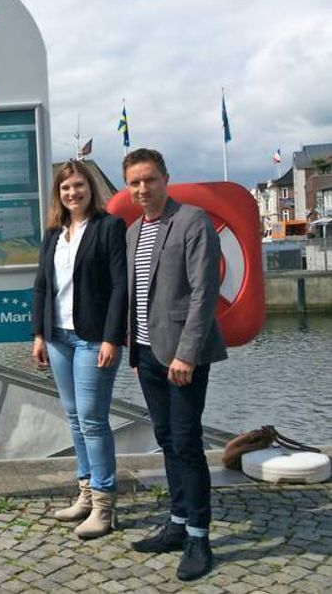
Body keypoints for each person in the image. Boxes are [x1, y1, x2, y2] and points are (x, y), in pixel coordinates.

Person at [123, 148, 227, 581]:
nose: (142, 188)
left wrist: (186, 353)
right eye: (134, 182)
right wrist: (135, 351)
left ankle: (199, 537)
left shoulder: (191, 221)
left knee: (186, 443)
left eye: (150, 179)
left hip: (183, 356)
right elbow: (136, 294)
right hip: (148, 355)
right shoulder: (133, 232)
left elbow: (204, 292)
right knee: (166, 439)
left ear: (166, 179)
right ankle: (178, 522)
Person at [32, 159, 127, 539]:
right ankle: (85, 493)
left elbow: (119, 286)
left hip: (93, 339)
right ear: (59, 193)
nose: (73, 192)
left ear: (90, 188)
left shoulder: (109, 227)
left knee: (92, 418)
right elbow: (42, 286)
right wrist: (39, 334)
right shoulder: (54, 234)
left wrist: (112, 338)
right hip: (58, 337)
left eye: (79, 185)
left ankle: (104, 505)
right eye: (66, 187)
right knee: (74, 417)